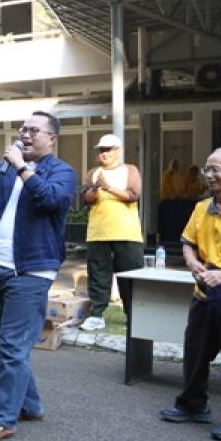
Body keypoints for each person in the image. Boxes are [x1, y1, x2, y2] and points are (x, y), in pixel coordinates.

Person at [0, 111, 77, 441]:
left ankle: (2, 419)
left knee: (12, 345)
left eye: (33, 131)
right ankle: (31, 403)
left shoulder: (61, 172)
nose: (25, 135)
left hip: (31, 271)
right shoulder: (6, 167)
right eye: (23, 129)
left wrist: (23, 167)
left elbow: (50, 199)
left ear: (51, 138)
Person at [159, 147, 221, 441]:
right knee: (196, 350)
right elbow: (188, 241)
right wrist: (192, 261)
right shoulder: (202, 208)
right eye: (207, 170)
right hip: (204, 292)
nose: (208, 175)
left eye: (215, 170)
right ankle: (192, 404)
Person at [80, 134, 144, 332]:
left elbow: (133, 195)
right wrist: (97, 188)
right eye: (101, 150)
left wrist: (109, 187)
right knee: (98, 275)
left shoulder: (130, 170)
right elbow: (86, 198)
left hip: (127, 232)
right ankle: (97, 314)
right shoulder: (93, 173)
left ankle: (134, 316)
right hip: (98, 233)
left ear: (119, 150)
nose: (104, 153)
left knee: (130, 275)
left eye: (109, 149)